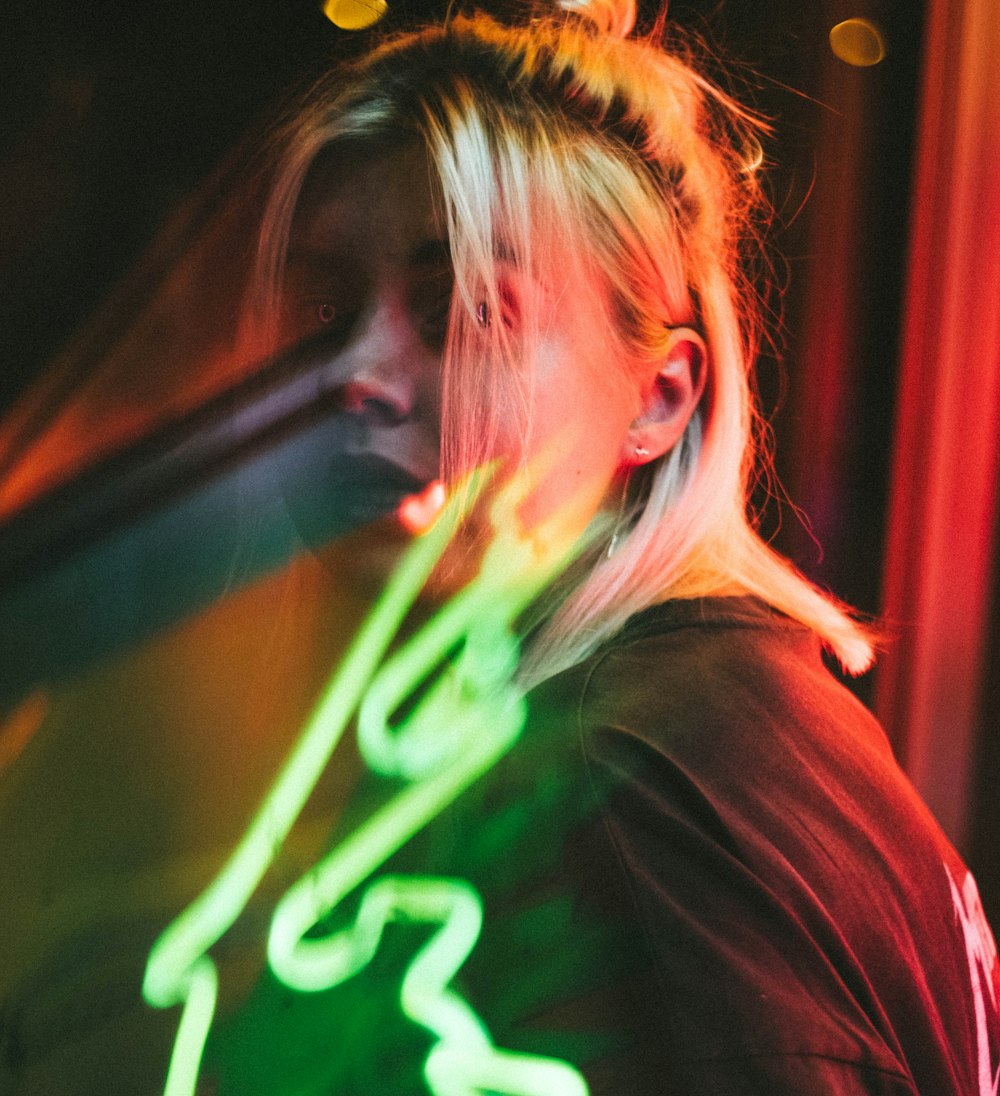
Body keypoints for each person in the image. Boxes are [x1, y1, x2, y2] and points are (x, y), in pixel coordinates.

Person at [161, 1, 1000, 1093]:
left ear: (660, 399)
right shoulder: (728, 711)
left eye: (466, 309)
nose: (352, 376)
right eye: (324, 308)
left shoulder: (630, 782)